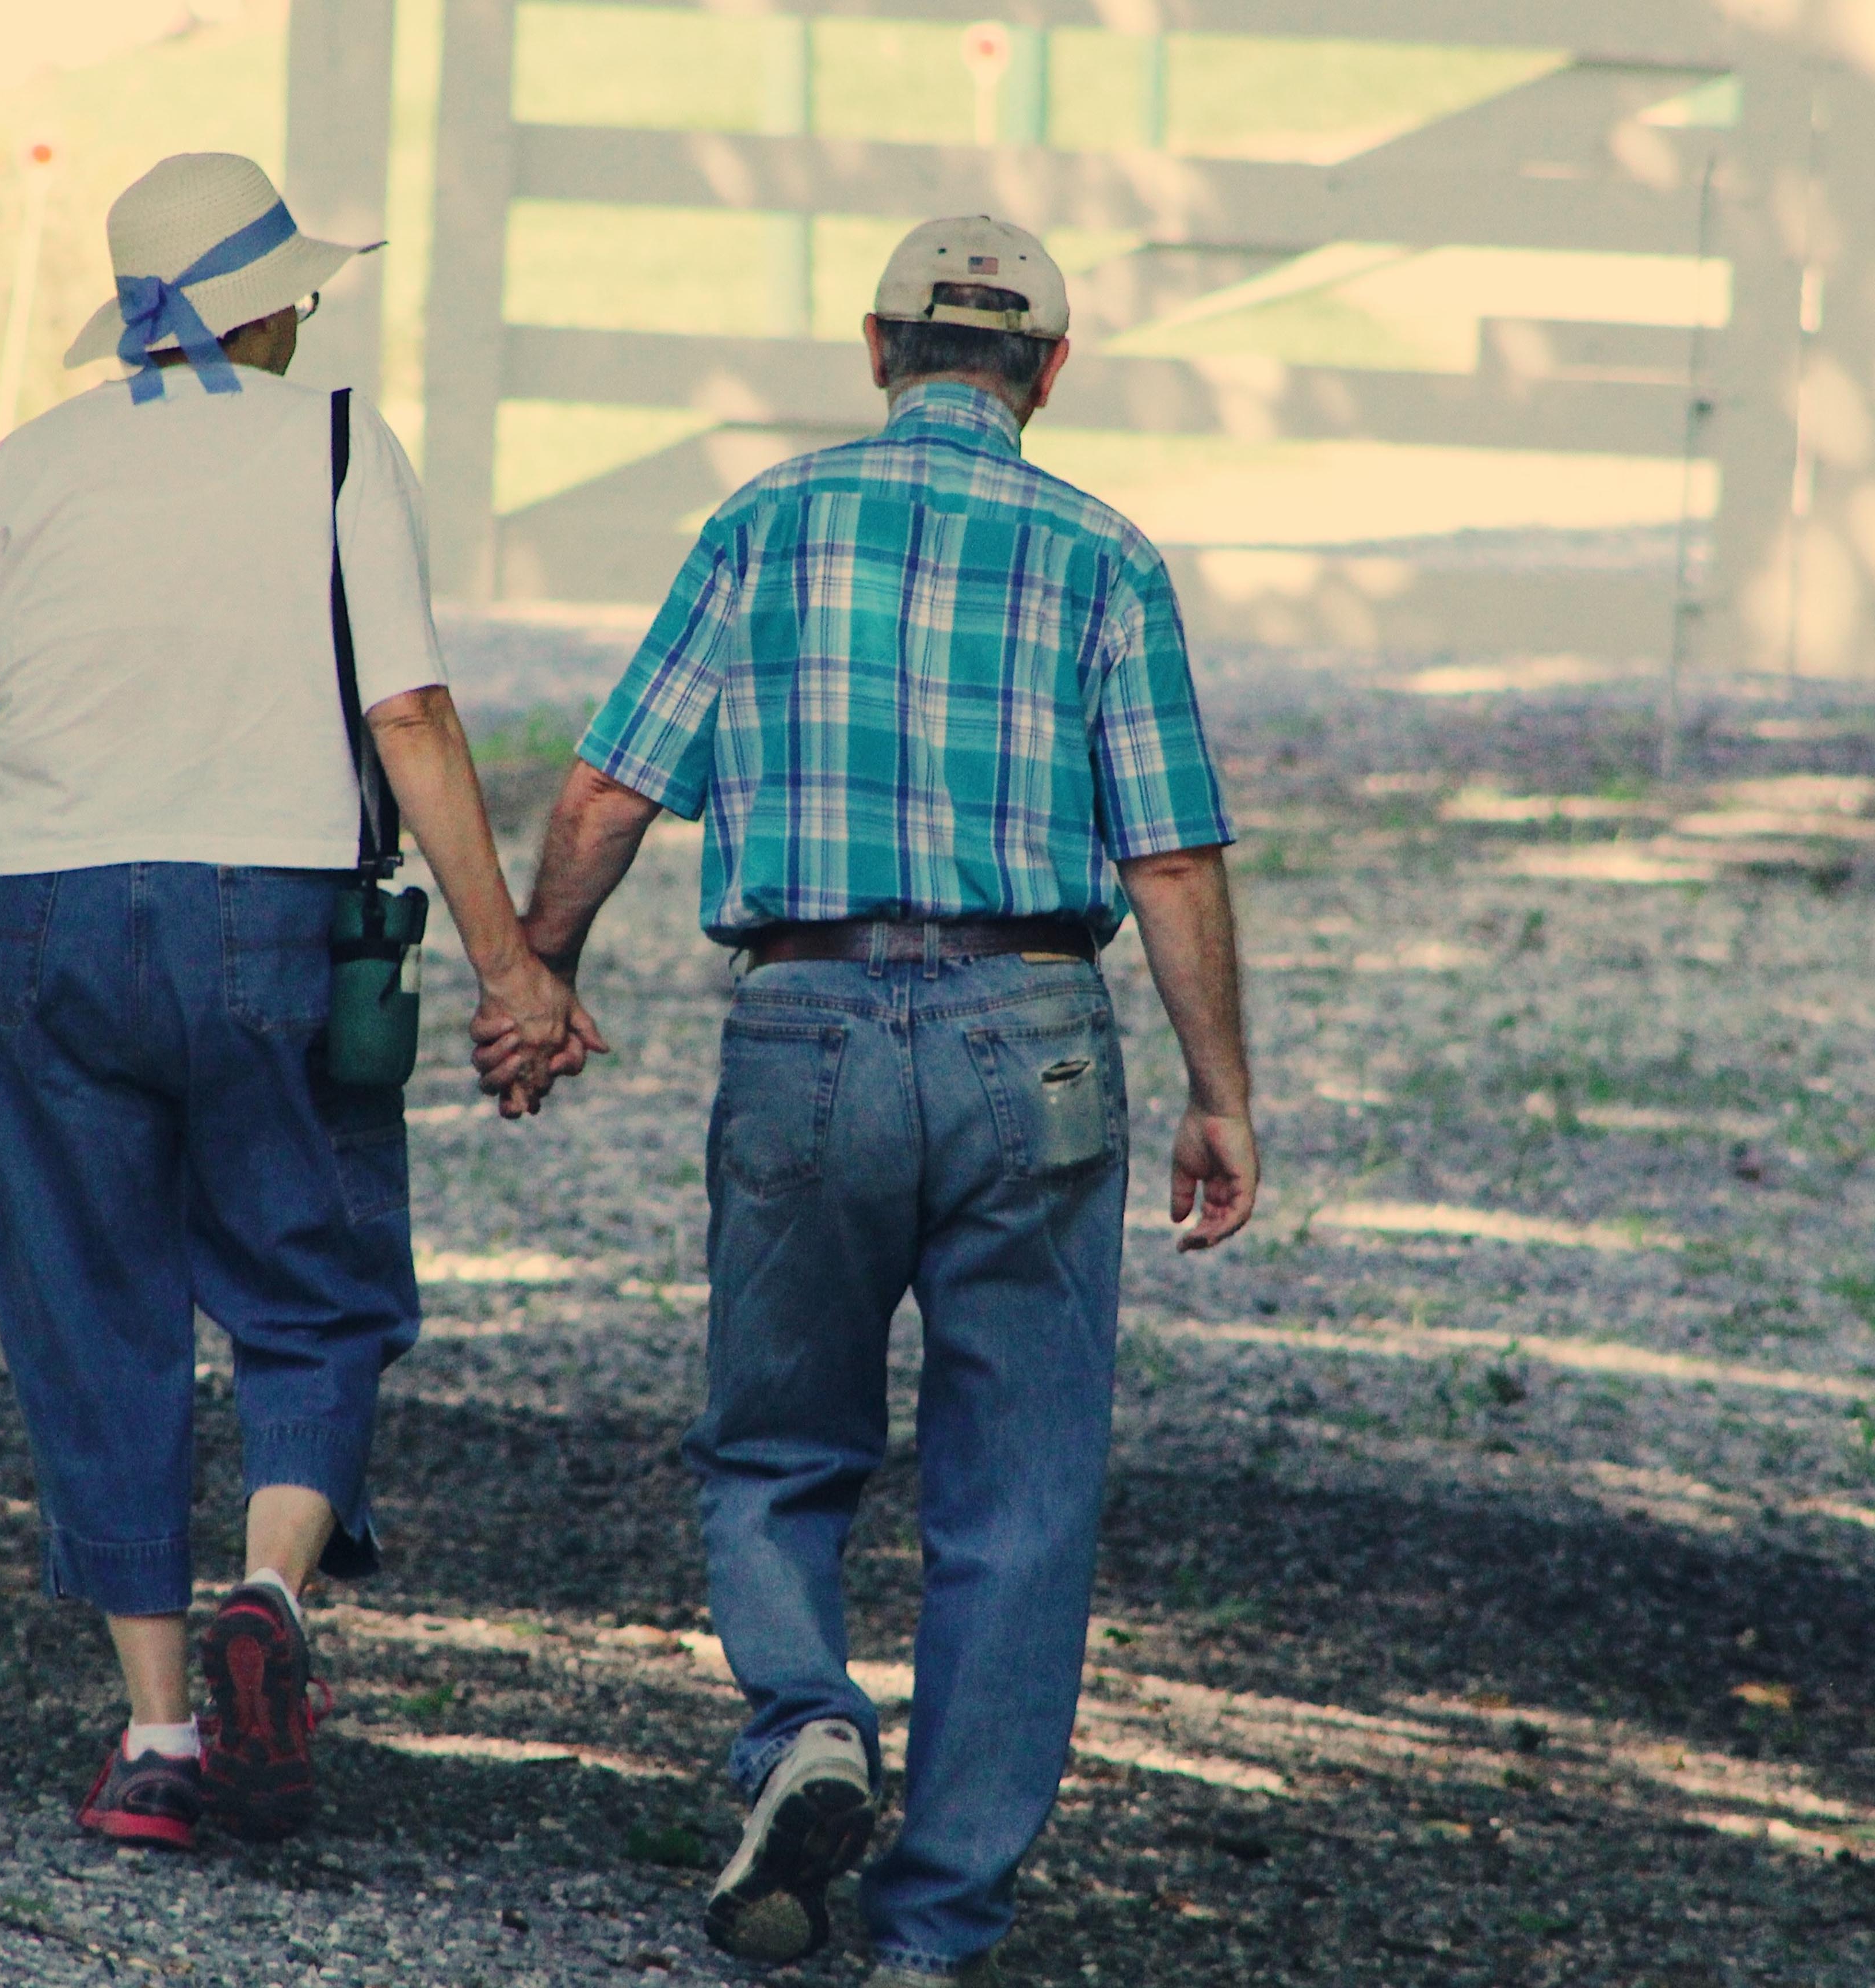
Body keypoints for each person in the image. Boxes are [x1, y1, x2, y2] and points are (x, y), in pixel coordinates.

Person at [476, 217, 1260, 1985]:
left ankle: (806, 1728)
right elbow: (1175, 856)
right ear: (1050, 372)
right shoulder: (1105, 558)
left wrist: (539, 979)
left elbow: (610, 794)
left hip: (807, 1020)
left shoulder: (763, 527)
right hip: (1034, 1029)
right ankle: (937, 1930)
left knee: (773, 1444)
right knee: (1023, 1494)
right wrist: (1222, 1094)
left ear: (876, 349)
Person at [0, 152, 585, 1853]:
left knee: (94, 1319)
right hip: (273, 916)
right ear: (263, 305)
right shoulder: (332, 445)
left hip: (48, 931)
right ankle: (273, 1588)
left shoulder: (28, 468)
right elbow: (410, 718)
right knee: (311, 1288)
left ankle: (162, 1736)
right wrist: (509, 966)